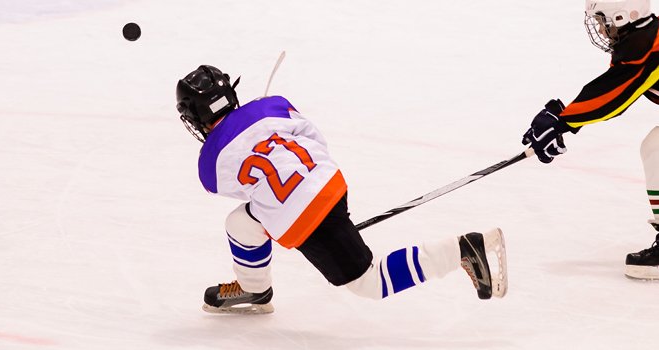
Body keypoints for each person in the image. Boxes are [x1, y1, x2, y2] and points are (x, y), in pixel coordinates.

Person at [175, 65, 508, 314]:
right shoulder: (271, 105)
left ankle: (461, 249)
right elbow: (313, 136)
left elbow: (240, 186)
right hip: (329, 181)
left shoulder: (209, 163)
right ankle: (254, 289)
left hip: (301, 213)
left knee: (369, 282)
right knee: (240, 224)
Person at [521, 0, 659, 280]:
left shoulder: (648, 49)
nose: (600, 28)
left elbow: (615, 94)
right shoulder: (646, 38)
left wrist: (563, 120)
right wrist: (566, 119)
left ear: (623, 17)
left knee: (657, 149)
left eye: (602, 21)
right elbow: (616, 83)